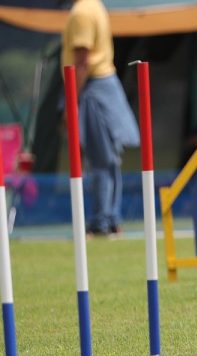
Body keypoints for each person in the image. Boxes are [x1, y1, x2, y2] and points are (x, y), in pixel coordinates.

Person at [61, 0, 138, 237]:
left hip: (94, 87)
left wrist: (71, 100)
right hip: (106, 83)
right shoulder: (95, 5)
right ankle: (111, 219)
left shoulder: (81, 12)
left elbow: (82, 59)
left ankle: (101, 223)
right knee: (109, 158)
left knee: (101, 159)